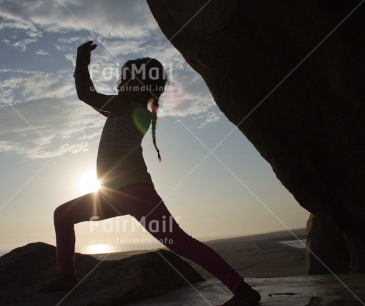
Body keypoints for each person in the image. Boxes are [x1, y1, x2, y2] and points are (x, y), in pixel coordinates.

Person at [40, 41, 261, 305]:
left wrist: (81, 64)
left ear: (139, 85)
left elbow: (86, 94)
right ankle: (65, 276)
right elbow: (93, 100)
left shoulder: (124, 107)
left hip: (130, 193)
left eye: (126, 78)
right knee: (179, 242)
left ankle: (243, 291)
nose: (120, 82)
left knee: (181, 242)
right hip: (123, 194)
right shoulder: (134, 111)